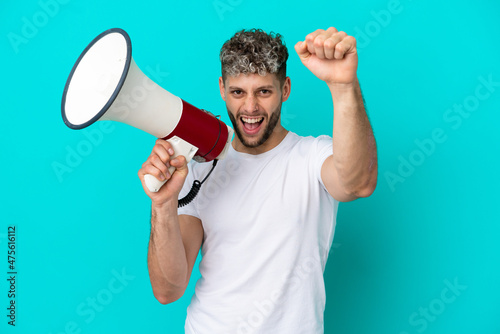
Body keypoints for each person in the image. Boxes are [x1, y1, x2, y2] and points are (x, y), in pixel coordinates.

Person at [138, 27, 377, 333]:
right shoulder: (198, 168)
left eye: (263, 91)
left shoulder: (313, 156)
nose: (250, 108)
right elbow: (168, 290)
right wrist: (162, 203)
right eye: (238, 92)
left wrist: (344, 86)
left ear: (285, 89)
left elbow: (359, 183)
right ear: (223, 89)